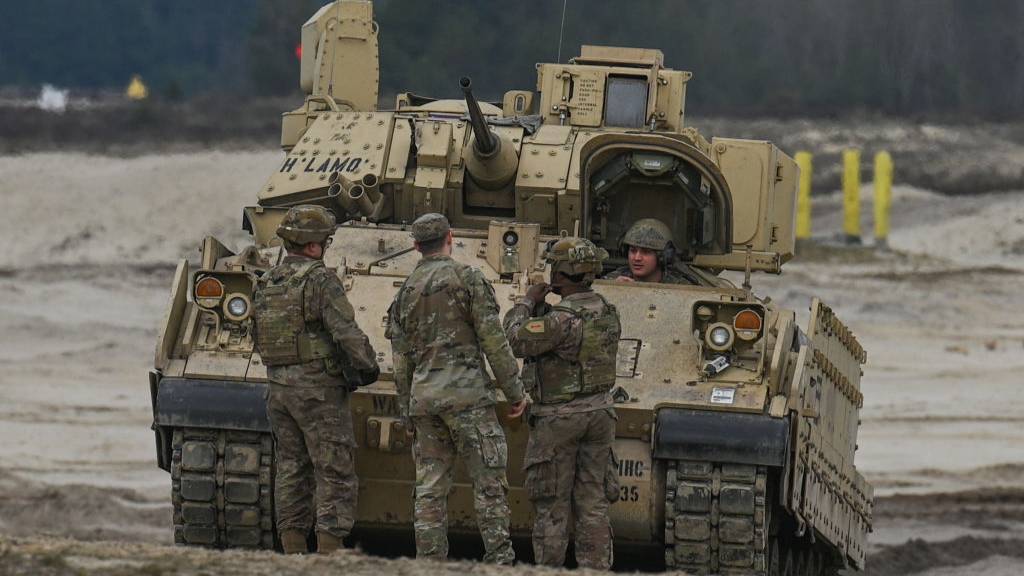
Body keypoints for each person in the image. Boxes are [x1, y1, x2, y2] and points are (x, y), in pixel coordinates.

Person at [386, 212, 527, 565]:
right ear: (450, 237)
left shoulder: (404, 293)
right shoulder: (468, 279)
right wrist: (515, 392)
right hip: (469, 400)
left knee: (430, 491)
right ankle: (499, 563)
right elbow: (494, 342)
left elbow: (401, 362)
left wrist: (406, 411)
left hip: (425, 402)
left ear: (416, 246)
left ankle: (429, 564)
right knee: (489, 486)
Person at [252, 204, 379, 554]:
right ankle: (328, 553)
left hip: (278, 390)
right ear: (313, 246)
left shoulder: (267, 281)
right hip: (318, 392)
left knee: (292, 468)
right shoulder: (320, 280)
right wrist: (368, 368)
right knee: (334, 469)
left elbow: (257, 337)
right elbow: (346, 332)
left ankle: (293, 549)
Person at [502, 236, 622, 570]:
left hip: (559, 419)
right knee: (593, 504)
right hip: (600, 413)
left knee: (552, 508)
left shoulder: (561, 320)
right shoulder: (607, 311)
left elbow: (515, 339)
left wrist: (527, 302)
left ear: (561, 274)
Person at [605, 218, 723, 286]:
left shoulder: (681, 287)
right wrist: (612, 290)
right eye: (633, 250)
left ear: (663, 256)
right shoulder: (612, 280)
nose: (637, 258)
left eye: (646, 252)